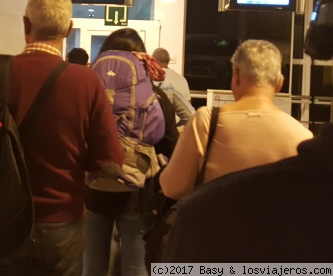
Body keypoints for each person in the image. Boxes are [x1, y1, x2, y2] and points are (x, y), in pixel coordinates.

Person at [0, 0, 124, 276]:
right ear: (69, 29)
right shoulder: (86, 82)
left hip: (1, 222)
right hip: (61, 224)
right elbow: (108, 159)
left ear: (26, 25)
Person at [159, 39, 313, 201]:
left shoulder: (206, 121)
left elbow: (172, 187)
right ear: (279, 83)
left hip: (214, 223)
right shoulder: (303, 137)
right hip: (276, 226)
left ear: (236, 75)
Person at [160, 124, 332, 262]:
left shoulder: (203, 210)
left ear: (236, 80)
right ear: (278, 86)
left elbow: (171, 186)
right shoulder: (298, 130)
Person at [84, 28, 177, 276]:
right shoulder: (156, 97)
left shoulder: (88, 92)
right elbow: (170, 143)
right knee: (136, 267)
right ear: (141, 58)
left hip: (95, 187)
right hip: (137, 193)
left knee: (92, 266)